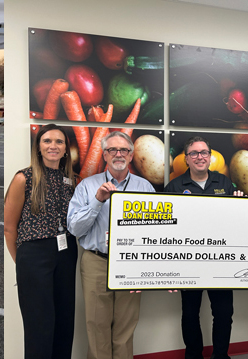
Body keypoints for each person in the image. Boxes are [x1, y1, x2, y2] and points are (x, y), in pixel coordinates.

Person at [67, 131, 155, 359]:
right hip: (97, 260)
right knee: (97, 324)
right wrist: (97, 201)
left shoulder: (145, 187)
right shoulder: (87, 186)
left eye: (124, 150)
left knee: (126, 326)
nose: (118, 154)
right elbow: (75, 229)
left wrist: (148, 270)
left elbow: (156, 231)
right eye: (112, 150)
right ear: (104, 155)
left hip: (131, 263)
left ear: (131, 154)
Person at [162, 136, 241, 359]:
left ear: (210, 156)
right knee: (189, 314)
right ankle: (193, 355)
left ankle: (220, 355)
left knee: (224, 314)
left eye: (204, 152)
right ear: (186, 159)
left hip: (220, 263)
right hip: (188, 264)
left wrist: (241, 205)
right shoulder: (174, 187)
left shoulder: (224, 183)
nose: (200, 157)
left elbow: (235, 221)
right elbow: (165, 231)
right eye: (194, 153)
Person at [5, 124, 77, 359]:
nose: (53, 146)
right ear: (38, 147)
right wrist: (22, 263)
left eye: (58, 142)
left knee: (64, 323)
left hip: (66, 253)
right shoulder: (23, 178)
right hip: (33, 255)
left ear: (66, 148)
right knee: (39, 327)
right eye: (47, 141)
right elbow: (9, 227)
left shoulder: (72, 180)